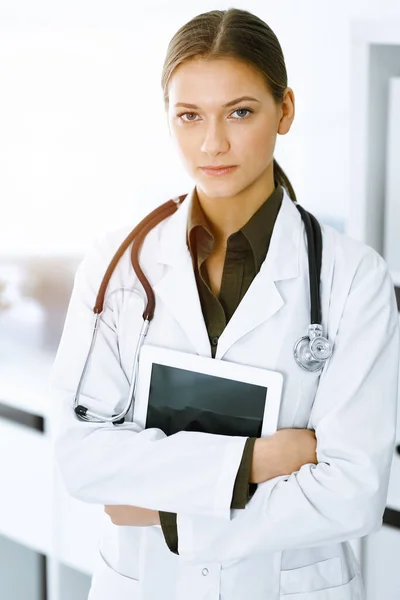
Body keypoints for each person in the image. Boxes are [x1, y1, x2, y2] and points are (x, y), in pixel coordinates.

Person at [50, 8, 400, 600]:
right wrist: (260, 461)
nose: (213, 143)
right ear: (168, 119)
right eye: (190, 116)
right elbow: (82, 457)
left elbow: (352, 494)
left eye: (240, 112)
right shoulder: (118, 266)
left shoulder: (353, 279)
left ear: (284, 110)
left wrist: (166, 512)